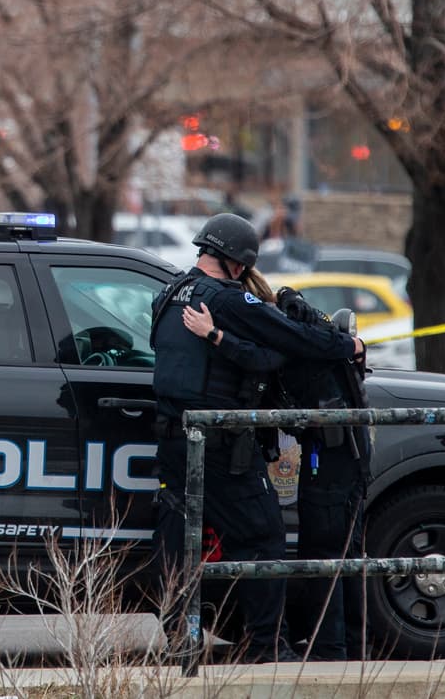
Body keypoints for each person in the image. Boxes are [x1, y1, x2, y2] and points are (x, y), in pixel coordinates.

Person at [150, 212, 362, 664]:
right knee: (264, 538)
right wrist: (349, 347)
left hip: (172, 440)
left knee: (178, 543)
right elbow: (295, 340)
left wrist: (223, 340)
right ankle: (266, 648)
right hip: (219, 444)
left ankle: (180, 643)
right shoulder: (226, 300)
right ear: (237, 262)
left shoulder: (169, 294)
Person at [195, 269, 372, 661]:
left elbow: (266, 358)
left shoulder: (285, 329)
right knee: (343, 549)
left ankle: (331, 650)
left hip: (332, 451)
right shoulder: (298, 320)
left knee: (325, 549)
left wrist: (216, 335)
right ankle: (350, 646)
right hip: (338, 449)